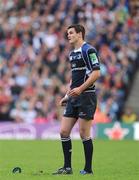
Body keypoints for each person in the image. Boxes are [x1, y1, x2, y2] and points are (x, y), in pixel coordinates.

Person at [53, 24, 101, 175]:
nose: (68, 35)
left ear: (80, 34)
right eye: (68, 33)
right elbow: (74, 79)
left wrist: (81, 89)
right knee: (64, 131)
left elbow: (96, 73)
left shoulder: (89, 50)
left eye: (71, 33)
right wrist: (67, 95)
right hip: (74, 97)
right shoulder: (72, 54)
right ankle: (67, 168)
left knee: (83, 133)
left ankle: (88, 169)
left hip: (87, 96)